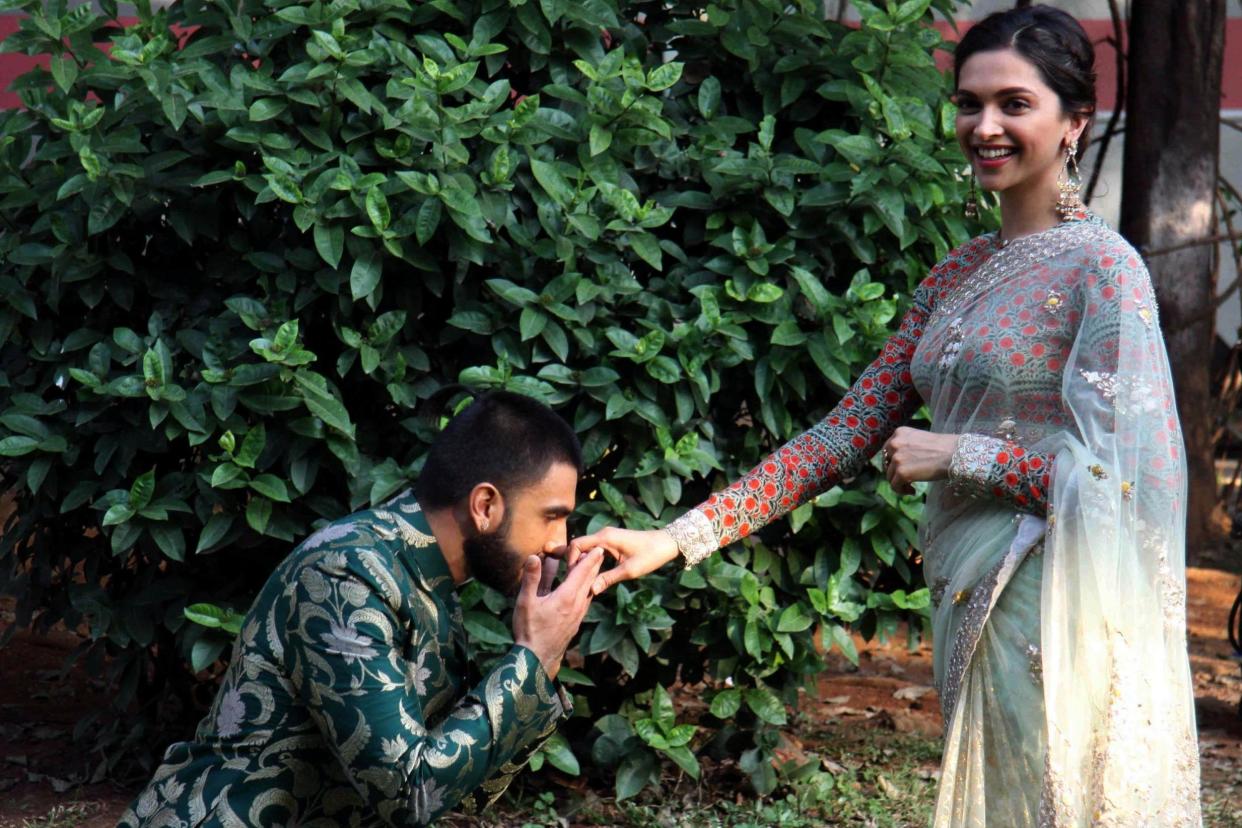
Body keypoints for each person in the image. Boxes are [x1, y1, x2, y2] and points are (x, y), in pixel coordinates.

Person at [570, 6, 1202, 825]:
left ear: (1074, 120)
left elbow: (1128, 485)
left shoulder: (1106, 272)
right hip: (965, 589)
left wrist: (962, 455)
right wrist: (679, 537)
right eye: (970, 104)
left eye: (1015, 104)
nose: (985, 126)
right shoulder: (957, 274)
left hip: (1052, 603)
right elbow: (842, 436)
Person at [120, 391, 605, 827]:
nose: (560, 543)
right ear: (484, 505)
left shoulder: (429, 578)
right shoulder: (347, 572)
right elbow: (409, 795)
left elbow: (466, 793)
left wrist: (544, 662)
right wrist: (530, 658)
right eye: (552, 517)